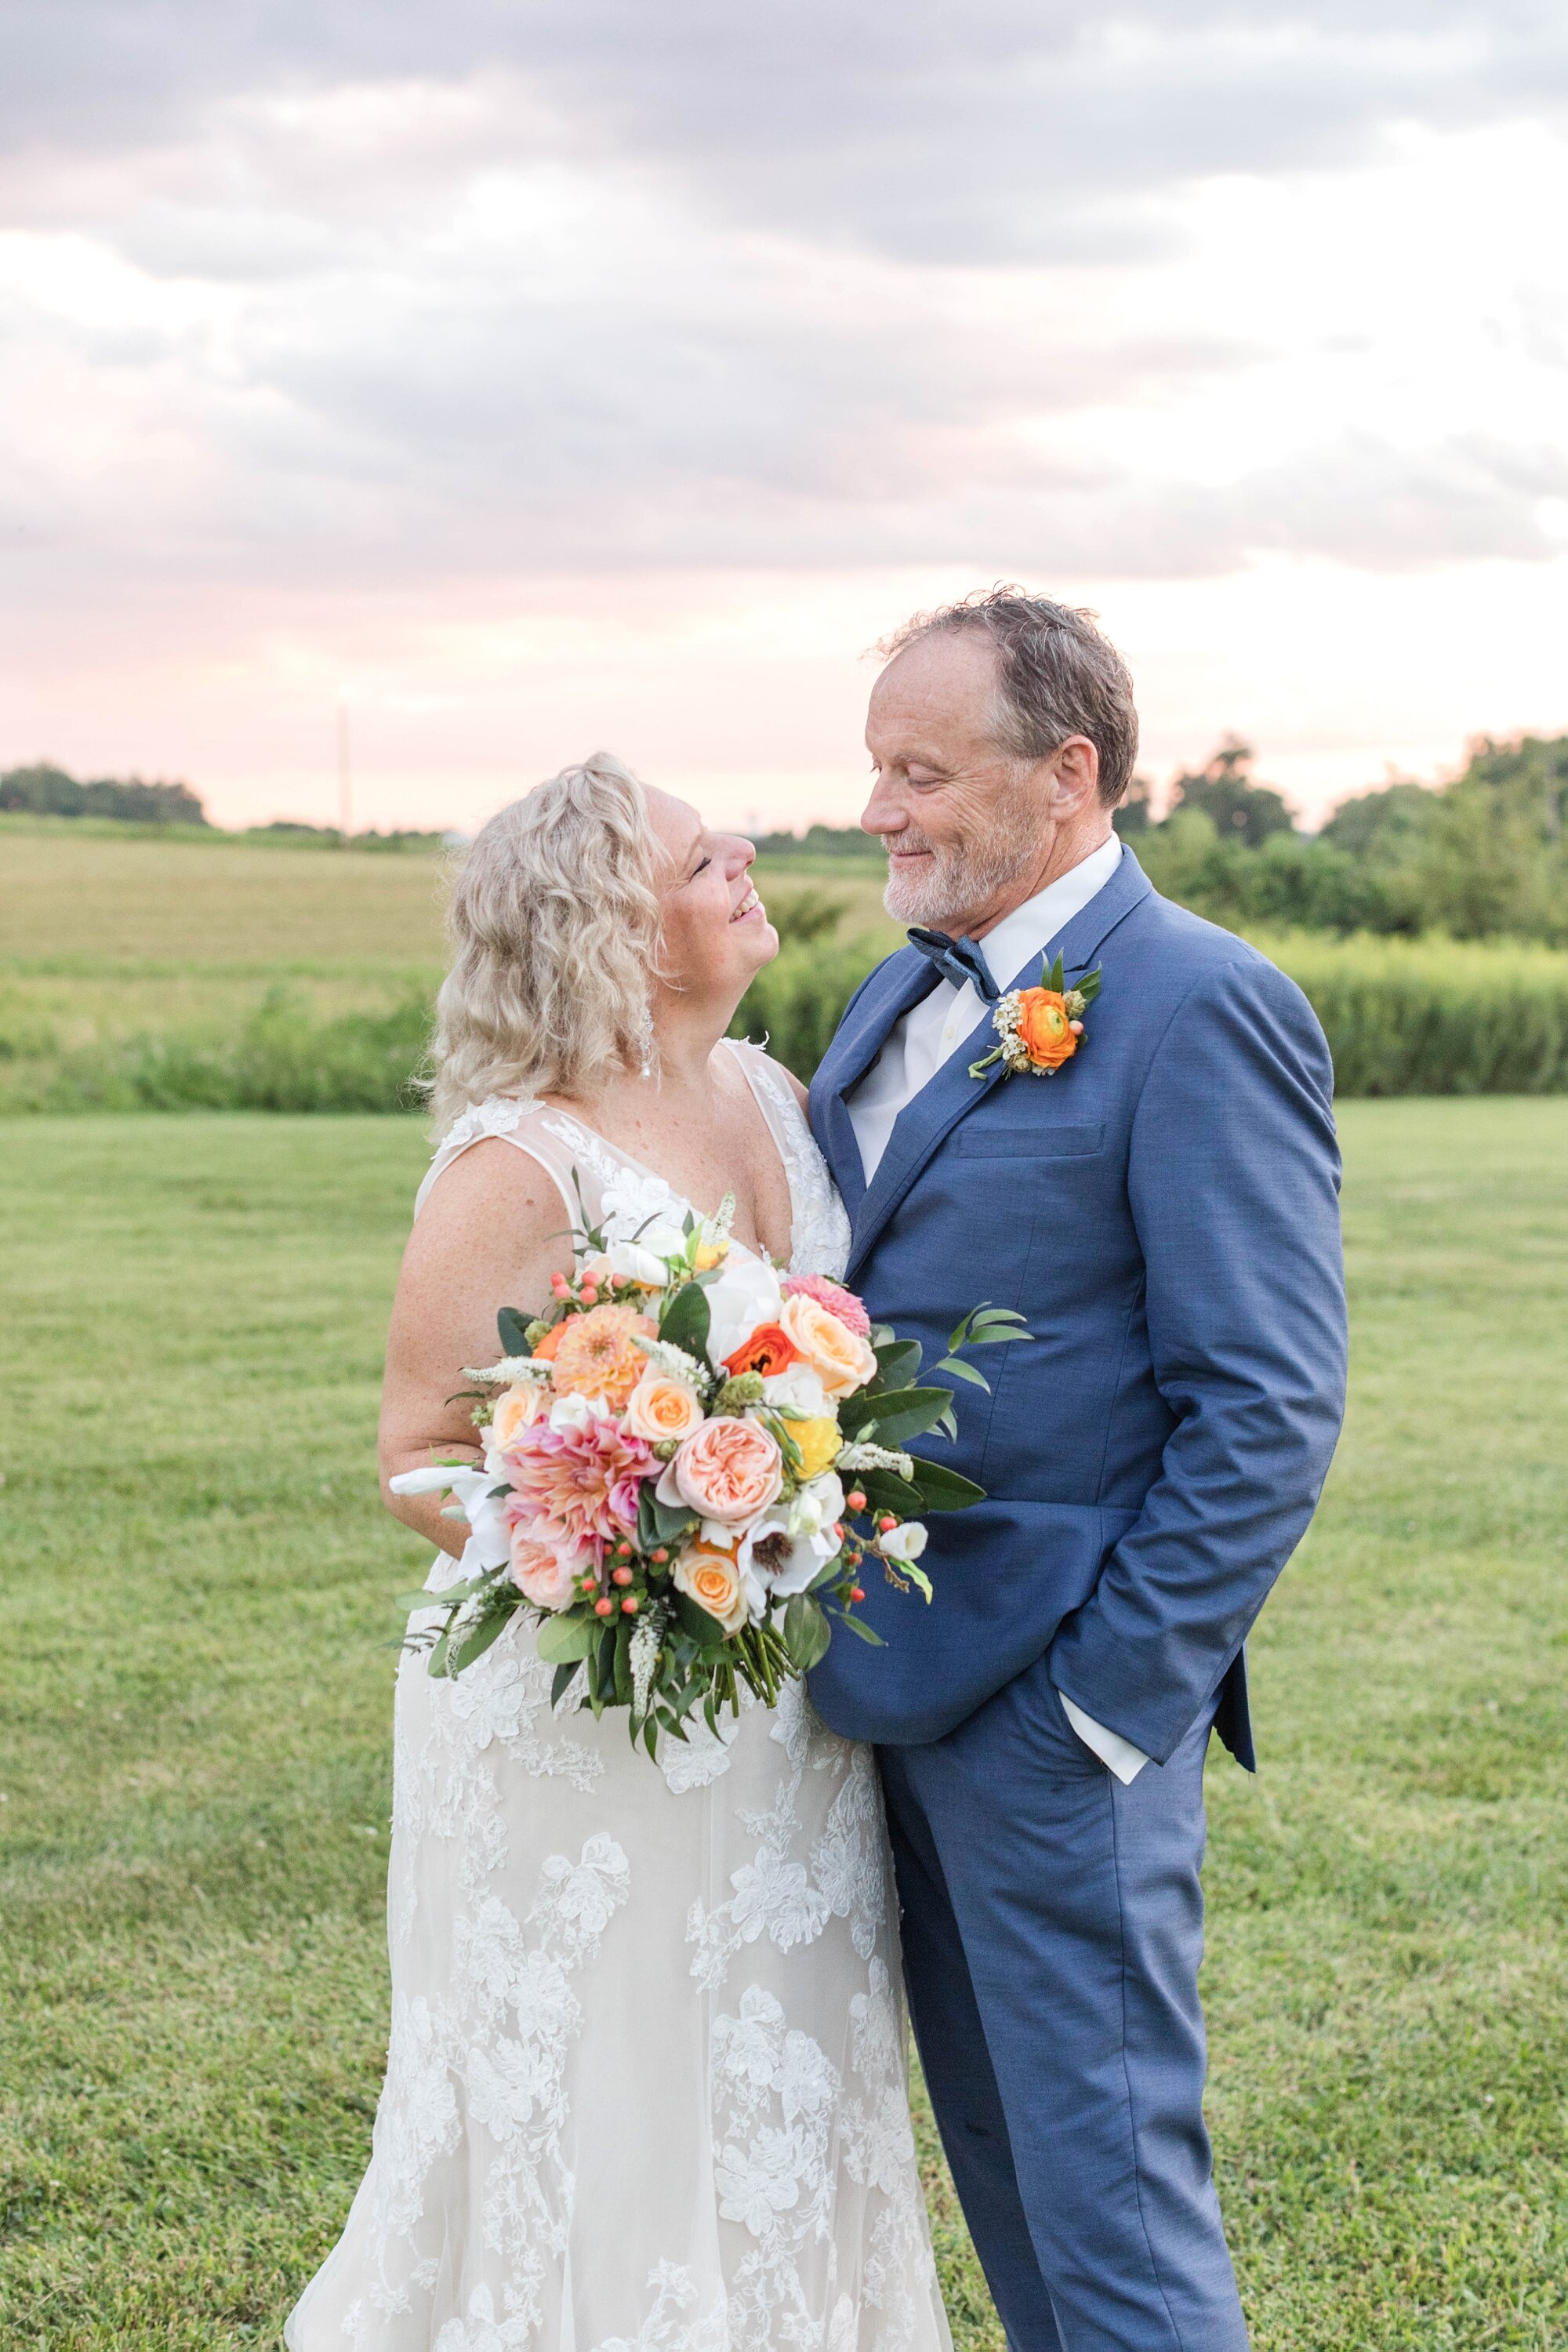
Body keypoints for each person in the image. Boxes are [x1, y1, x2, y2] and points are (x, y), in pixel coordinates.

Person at [286, 755, 950, 2352]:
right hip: (583, 1707)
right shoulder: (519, 1161)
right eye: (693, 851)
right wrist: (618, 1546)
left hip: (780, 1702)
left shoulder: (784, 1100)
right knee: (613, 2065)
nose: (741, 851)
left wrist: (769, 1525)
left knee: (775, 2057)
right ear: (607, 927)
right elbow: (418, 1457)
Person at [807, 590, 1348, 2352]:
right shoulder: (893, 994)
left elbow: (1263, 1401)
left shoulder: (1201, 1004)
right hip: (887, 1687)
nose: (879, 808)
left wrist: (1108, 1707)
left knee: (1113, 2214)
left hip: (1061, 1720)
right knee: (1009, 2187)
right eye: (874, 768)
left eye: (920, 769)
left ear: (1069, 774)